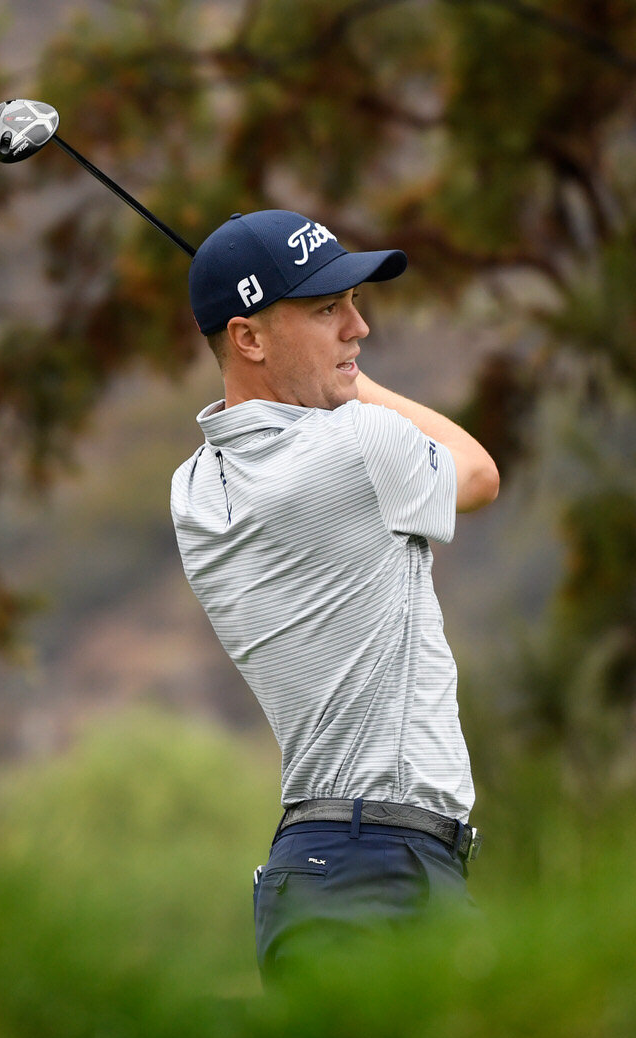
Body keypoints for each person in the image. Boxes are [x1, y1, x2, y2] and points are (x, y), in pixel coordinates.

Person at [169, 209, 500, 987]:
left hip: (315, 876)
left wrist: (320, 365)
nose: (360, 327)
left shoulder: (192, 490)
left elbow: (261, 415)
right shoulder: (356, 444)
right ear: (248, 338)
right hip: (382, 872)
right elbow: (479, 472)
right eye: (327, 311)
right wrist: (355, 389)